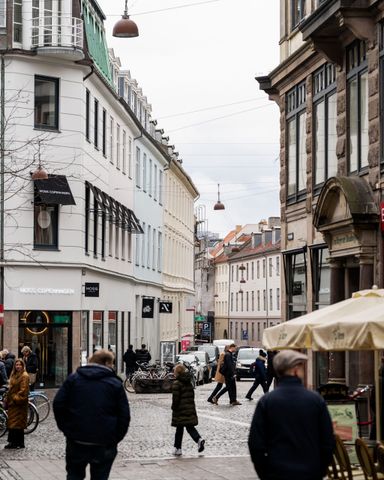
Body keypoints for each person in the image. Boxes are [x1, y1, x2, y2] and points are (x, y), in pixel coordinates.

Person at [248, 350, 335, 480]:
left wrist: (265, 472)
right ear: (295, 370)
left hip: (277, 471)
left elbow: (255, 444)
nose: (303, 371)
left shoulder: (267, 401)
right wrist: (320, 469)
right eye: (301, 367)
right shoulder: (315, 400)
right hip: (310, 471)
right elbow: (327, 441)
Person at [53, 349, 130, 480]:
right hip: (104, 441)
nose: (112, 366)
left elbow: (58, 404)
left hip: (77, 439)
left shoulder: (73, 379)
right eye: (112, 363)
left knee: (74, 475)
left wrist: (67, 429)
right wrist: (115, 437)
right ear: (106, 363)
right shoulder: (114, 384)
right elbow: (124, 415)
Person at [171, 363, 205, 456]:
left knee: (179, 429)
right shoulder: (189, 382)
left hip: (180, 409)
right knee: (189, 427)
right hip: (189, 408)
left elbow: (175, 399)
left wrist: (174, 408)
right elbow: (192, 396)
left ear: (177, 373)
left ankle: (178, 448)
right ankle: (199, 439)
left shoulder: (176, 384)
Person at [4, 358, 29, 449]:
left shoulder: (24, 376)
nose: (18, 366)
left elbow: (23, 391)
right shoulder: (14, 374)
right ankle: (14, 442)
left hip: (19, 404)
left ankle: (17, 443)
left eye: (20, 365)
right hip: (13, 404)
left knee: (17, 424)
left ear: (23, 366)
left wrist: (14, 398)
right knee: (13, 424)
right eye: (16, 365)